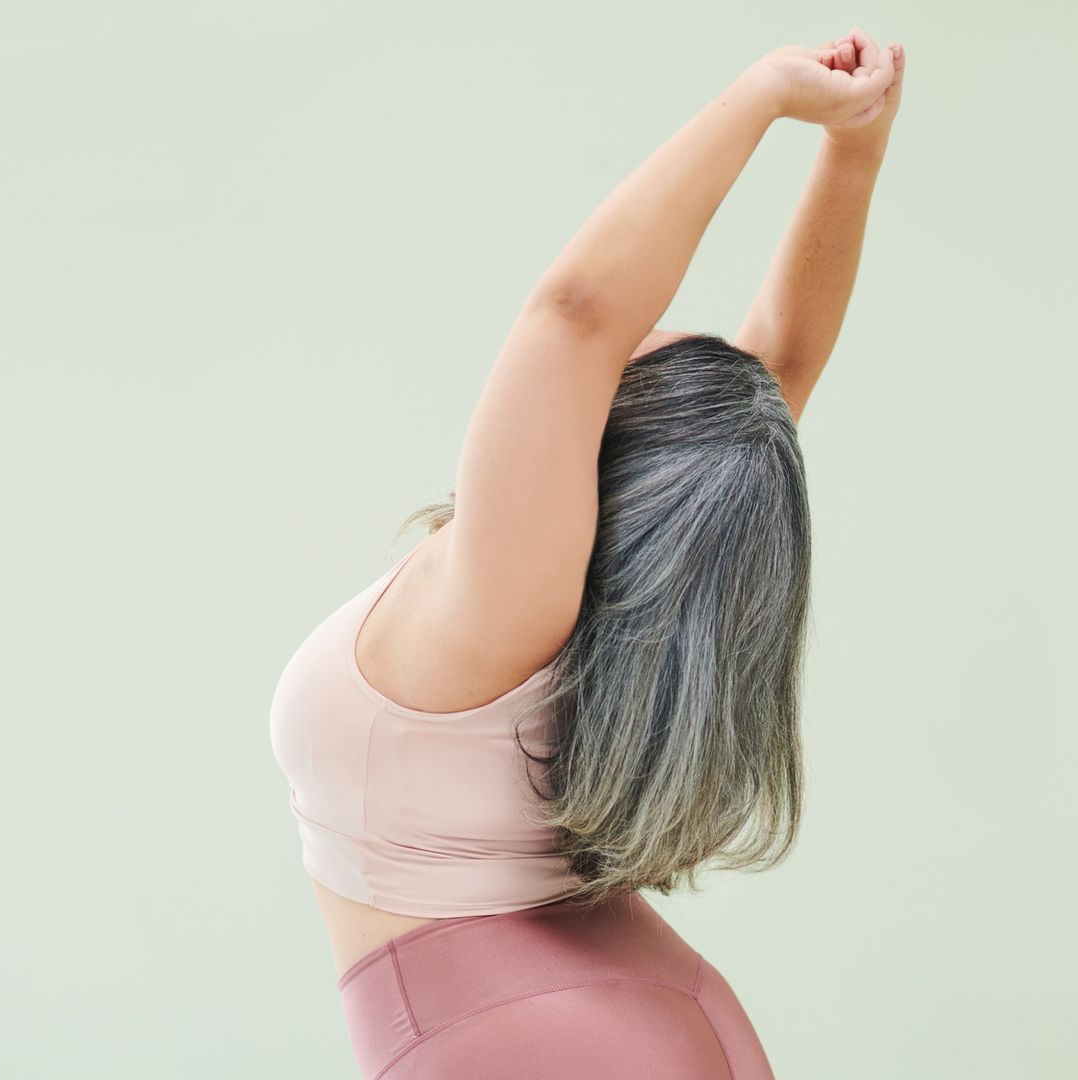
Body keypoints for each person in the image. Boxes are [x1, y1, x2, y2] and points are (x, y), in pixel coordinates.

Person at [269, 28, 906, 1079]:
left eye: (643, 350)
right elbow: (780, 362)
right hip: (643, 1010)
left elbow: (576, 315)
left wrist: (762, 98)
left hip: (522, 1034)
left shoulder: (510, 600)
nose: (643, 335)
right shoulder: (645, 573)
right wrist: (856, 151)